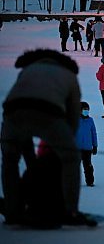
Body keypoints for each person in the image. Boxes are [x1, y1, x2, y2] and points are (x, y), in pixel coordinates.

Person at [1, 49, 87, 225]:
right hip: (48, 113)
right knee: (71, 158)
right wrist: (64, 144)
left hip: (12, 113)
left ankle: (12, 210)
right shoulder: (69, 75)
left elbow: (17, 98)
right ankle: (70, 212)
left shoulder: (28, 69)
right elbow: (73, 114)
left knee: (10, 161)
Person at [75, 102, 98, 187]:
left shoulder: (90, 120)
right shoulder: (75, 120)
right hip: (76, 148)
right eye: (84, 109)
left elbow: (94, 133)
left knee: (88, 166)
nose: (86, 111)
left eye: (87, 110)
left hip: (87, 148)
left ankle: (90, 181)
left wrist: (95, 145)